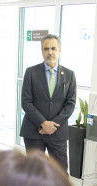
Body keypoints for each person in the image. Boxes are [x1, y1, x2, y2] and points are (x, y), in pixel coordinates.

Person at [20, 34, 77, 172]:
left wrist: (52, 125)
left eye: (53, 48)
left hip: (57, 133)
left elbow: (70, 104)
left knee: (60, 172)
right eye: (46, 49)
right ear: (42, 51)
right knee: (34, 173)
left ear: (59, 51)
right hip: (33, 131)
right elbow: (26, 102)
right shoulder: (31, 72)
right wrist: (43, 123)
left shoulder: (69, 75)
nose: (49, 52)